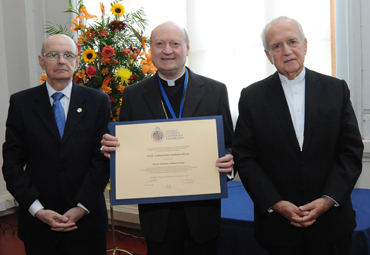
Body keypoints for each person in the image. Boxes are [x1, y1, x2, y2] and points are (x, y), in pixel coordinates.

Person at [233, 16, 364, 255]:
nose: (287, 51)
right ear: (267, 55)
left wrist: (327, 200)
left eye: (292, 41)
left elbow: (351, 151)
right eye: (277, 46)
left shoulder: (336, 90)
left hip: (331, 224)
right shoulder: (252, 97)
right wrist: (275, 203)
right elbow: (245, 157)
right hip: (278, 227)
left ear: (305, 44)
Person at [101, 21, 234, 254]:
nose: (167, 50)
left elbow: (232, 144)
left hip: (202, 215)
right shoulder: (134, 95)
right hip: (157, 217)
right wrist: (113, 152)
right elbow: (127, 149)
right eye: (159, 44)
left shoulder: (215, 91)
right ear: (150, 49)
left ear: (187, 47)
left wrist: (229, 162)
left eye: (175, 43)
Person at [2, 34, 110, 255]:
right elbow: (12, 165)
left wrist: (81, 207)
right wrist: (37, 210)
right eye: (53, 55)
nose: (61, 61)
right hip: (39, 224)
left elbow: (101, 160)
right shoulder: (21, 103)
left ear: (77, 61)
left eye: (68, 55)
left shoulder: (98, 101)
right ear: (42, 62)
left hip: (86, 222)